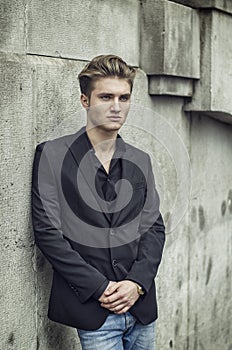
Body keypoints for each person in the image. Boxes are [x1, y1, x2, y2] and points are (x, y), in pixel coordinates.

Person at [31, 54, 165, 350]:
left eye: (124, 97)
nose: (116, 107)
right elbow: (48, 232)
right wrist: (100, 287)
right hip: (93, 309)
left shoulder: (140, 160)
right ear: (85, 101)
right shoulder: (52, 155)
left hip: (141, 307)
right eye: (106, 97)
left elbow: (154, 228)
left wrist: (137, 283)